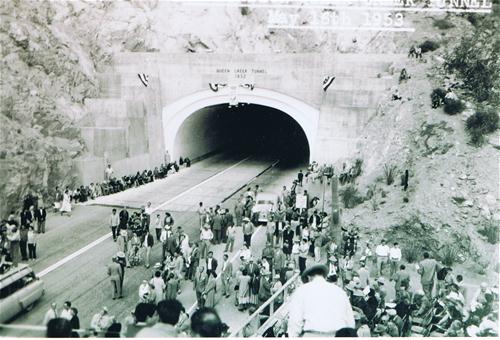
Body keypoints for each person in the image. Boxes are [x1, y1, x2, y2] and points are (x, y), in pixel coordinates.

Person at [288, 264, 355, 337]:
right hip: (337, 334)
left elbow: (295, 322)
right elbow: (350, 323)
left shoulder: (302, 291)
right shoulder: (340, 292)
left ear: (309, 277)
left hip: (312, 334)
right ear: (324, 276)